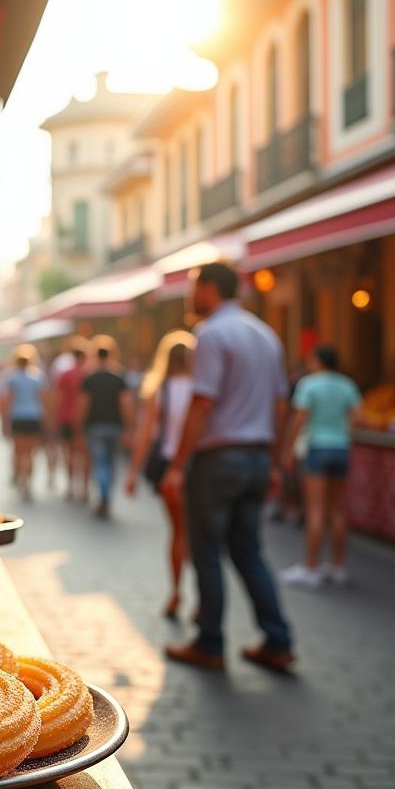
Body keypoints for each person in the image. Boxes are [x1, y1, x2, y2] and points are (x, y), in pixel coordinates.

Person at [160, 261, 295, 672]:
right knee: (249, 552)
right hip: (256, 456)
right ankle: (278, 640)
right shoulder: (265, 334)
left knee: (207, 552)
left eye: (193, 287)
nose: (189, 296)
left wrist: (178, 466)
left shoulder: (212, 334)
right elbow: (279, 405)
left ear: (210, 289)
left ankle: (210, 643)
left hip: (219, 460)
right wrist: (274, 461)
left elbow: (203, 404)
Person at [125, 331, 196, 618]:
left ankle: (177, 593)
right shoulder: (202, 389)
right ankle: (204, 600)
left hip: (169, 467)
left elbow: (145, 435)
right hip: (199, 466)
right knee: (201, 536)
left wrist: (132, 471)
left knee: (178, 532)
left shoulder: (161, 389)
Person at [279, 344, 361, 588]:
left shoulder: (309, 384)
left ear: (317, 361)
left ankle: (311, 566)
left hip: (316, 447)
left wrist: (287, 450)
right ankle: (337, 566)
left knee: (315, 509)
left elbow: (299, 418)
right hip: (341, 448)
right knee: (337, 509)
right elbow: (358, 418)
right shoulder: (347, 385)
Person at [78, 341, 132, 518]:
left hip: (95, 426)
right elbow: (126, 404)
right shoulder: (119, 378)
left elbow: (84, 404)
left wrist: (80, 425)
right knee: (110, 463)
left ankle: (104, 495)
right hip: (114, 426)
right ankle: (106, 495)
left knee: (100, 463)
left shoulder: (90, 378)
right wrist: (129, 426)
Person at [2, 349, 46, 501]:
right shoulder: (37, 377)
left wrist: (4, 421)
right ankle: (28, 482)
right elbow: (42, 399)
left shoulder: (12, 378)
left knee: (18, 451)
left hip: (18, 417)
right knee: (30, 453)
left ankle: (19, 478)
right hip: (33, 416)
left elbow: (7, 400)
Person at [52, 339, 90, 501]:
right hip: (87, 418)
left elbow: (58, 397)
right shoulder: (88, 374)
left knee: (69, 453)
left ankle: (70, 485)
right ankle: (85, 488)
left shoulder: (65, 374)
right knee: (85, 455)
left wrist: (54, 416)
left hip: (67, 416)